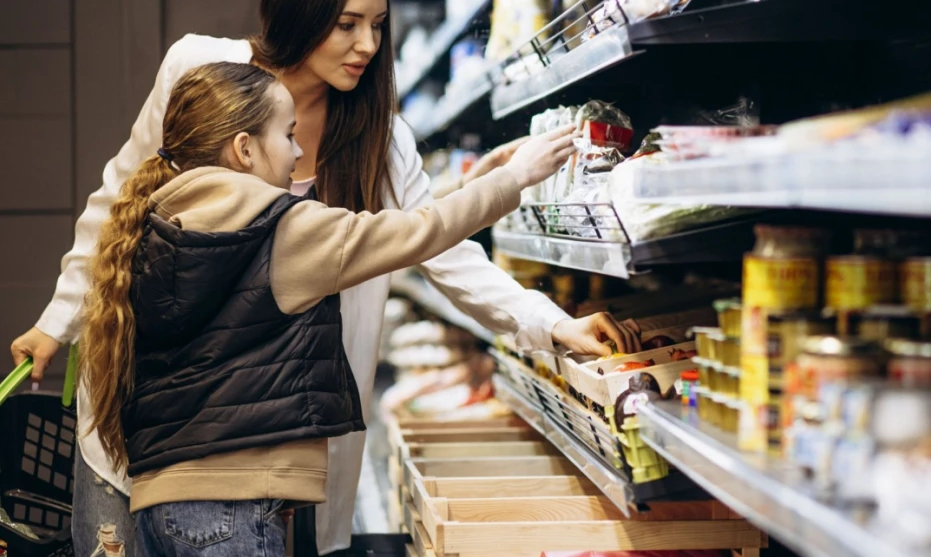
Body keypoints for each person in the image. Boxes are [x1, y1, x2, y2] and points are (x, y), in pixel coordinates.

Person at [7, 0, 640, 555]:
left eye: (378, 25)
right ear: (300, 12)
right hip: (142, 421)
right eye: (346, 23)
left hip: (273, 448)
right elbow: (118, 201)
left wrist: (554, 324)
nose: (367, 44)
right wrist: (57, 320)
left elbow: (445, 253)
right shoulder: (198, 73)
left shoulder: (378, 140)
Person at [80, 60, 571, 556]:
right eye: (287, 134)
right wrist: (515, 177)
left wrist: (464, 188)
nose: (297, 152)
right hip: (232, 515)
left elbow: (372, 237)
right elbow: (414, 234)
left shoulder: (152, 227)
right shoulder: (282, 231)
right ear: (244, 148)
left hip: (159, 508)